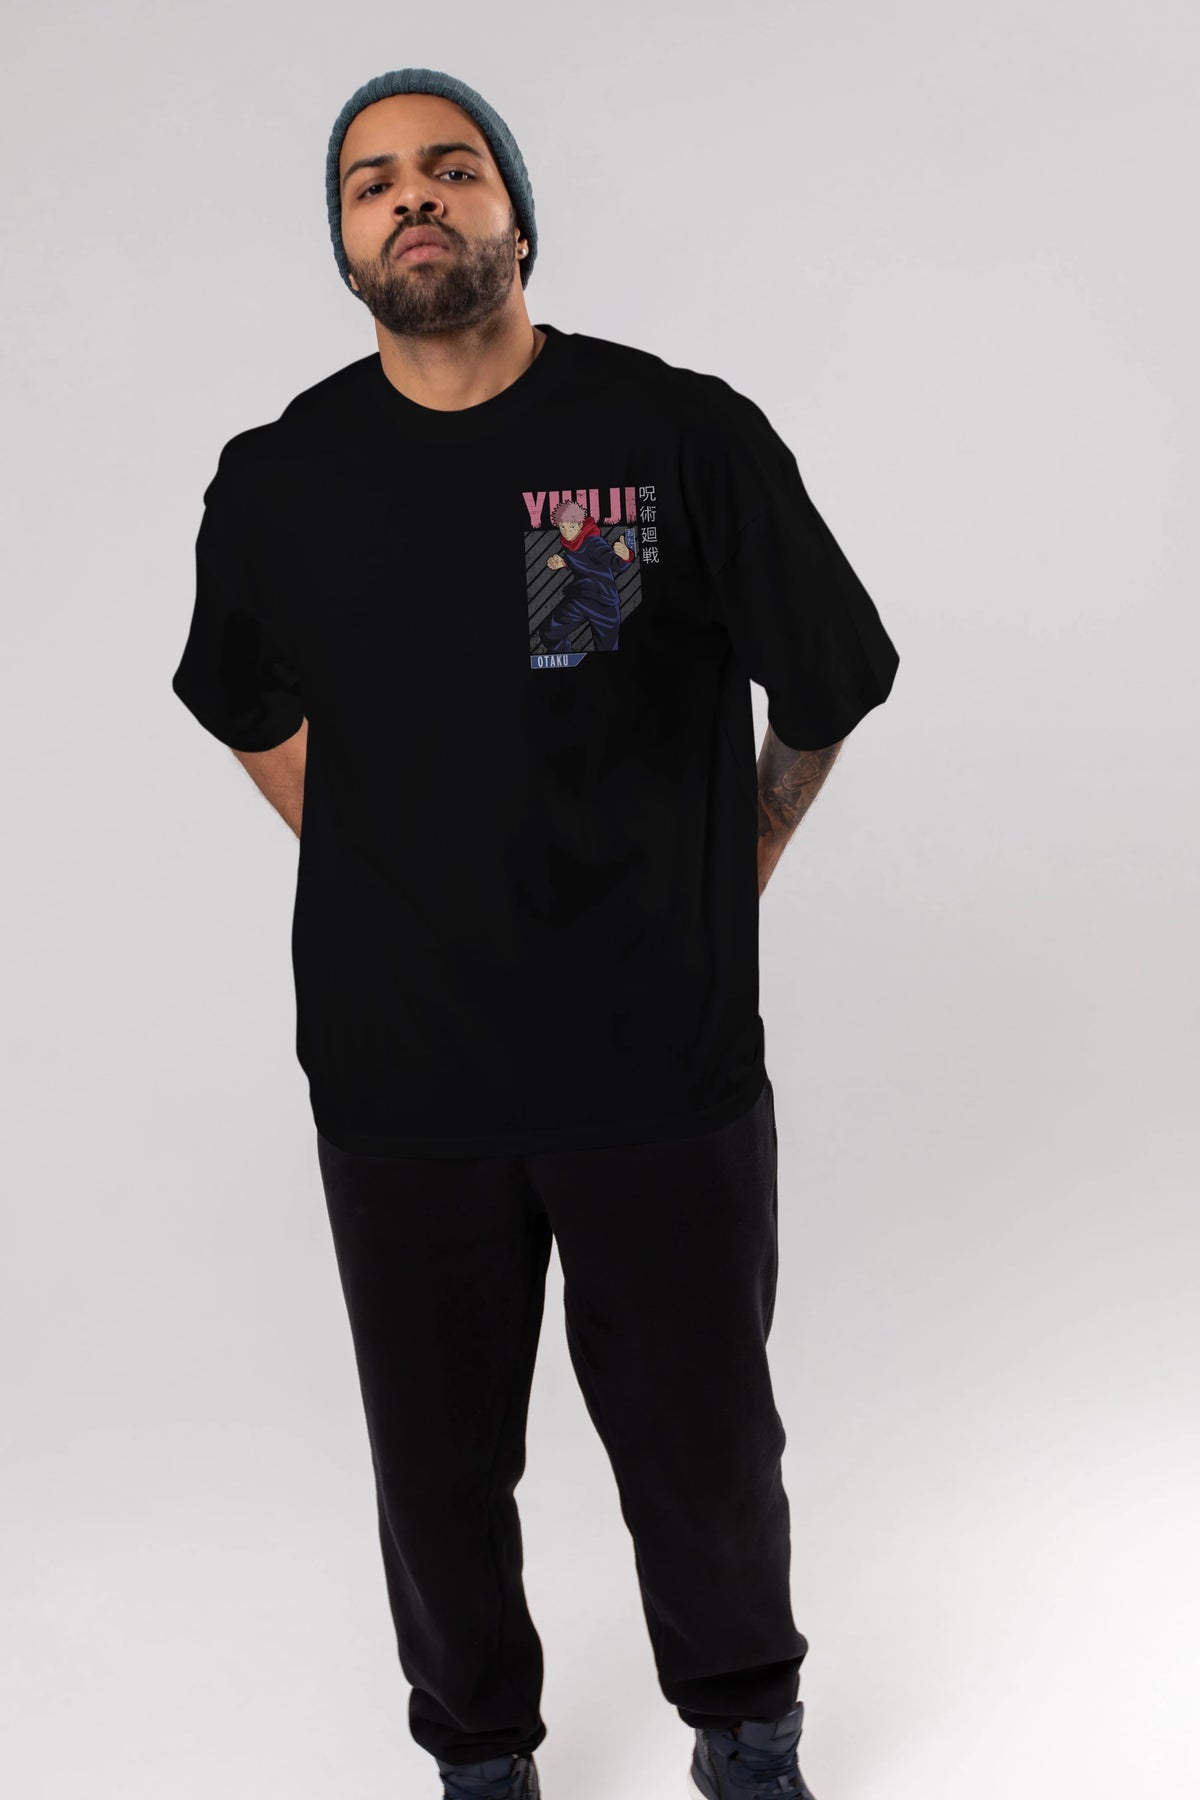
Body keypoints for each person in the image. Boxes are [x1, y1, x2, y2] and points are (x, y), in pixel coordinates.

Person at [170, 65, 899, 1800]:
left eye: (452, 167)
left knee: (703, 1441)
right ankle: (481, 1756)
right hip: (402, 1072)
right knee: (436, 1469)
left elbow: (829, 676)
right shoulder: (281, 478)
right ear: (345, 243)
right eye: (372, 183)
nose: (413, 197)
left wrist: (745, 855)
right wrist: (386, 860)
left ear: (516, 214)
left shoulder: (673, 436)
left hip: (657, 1058)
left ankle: (747, 1729)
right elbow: (243, 701)